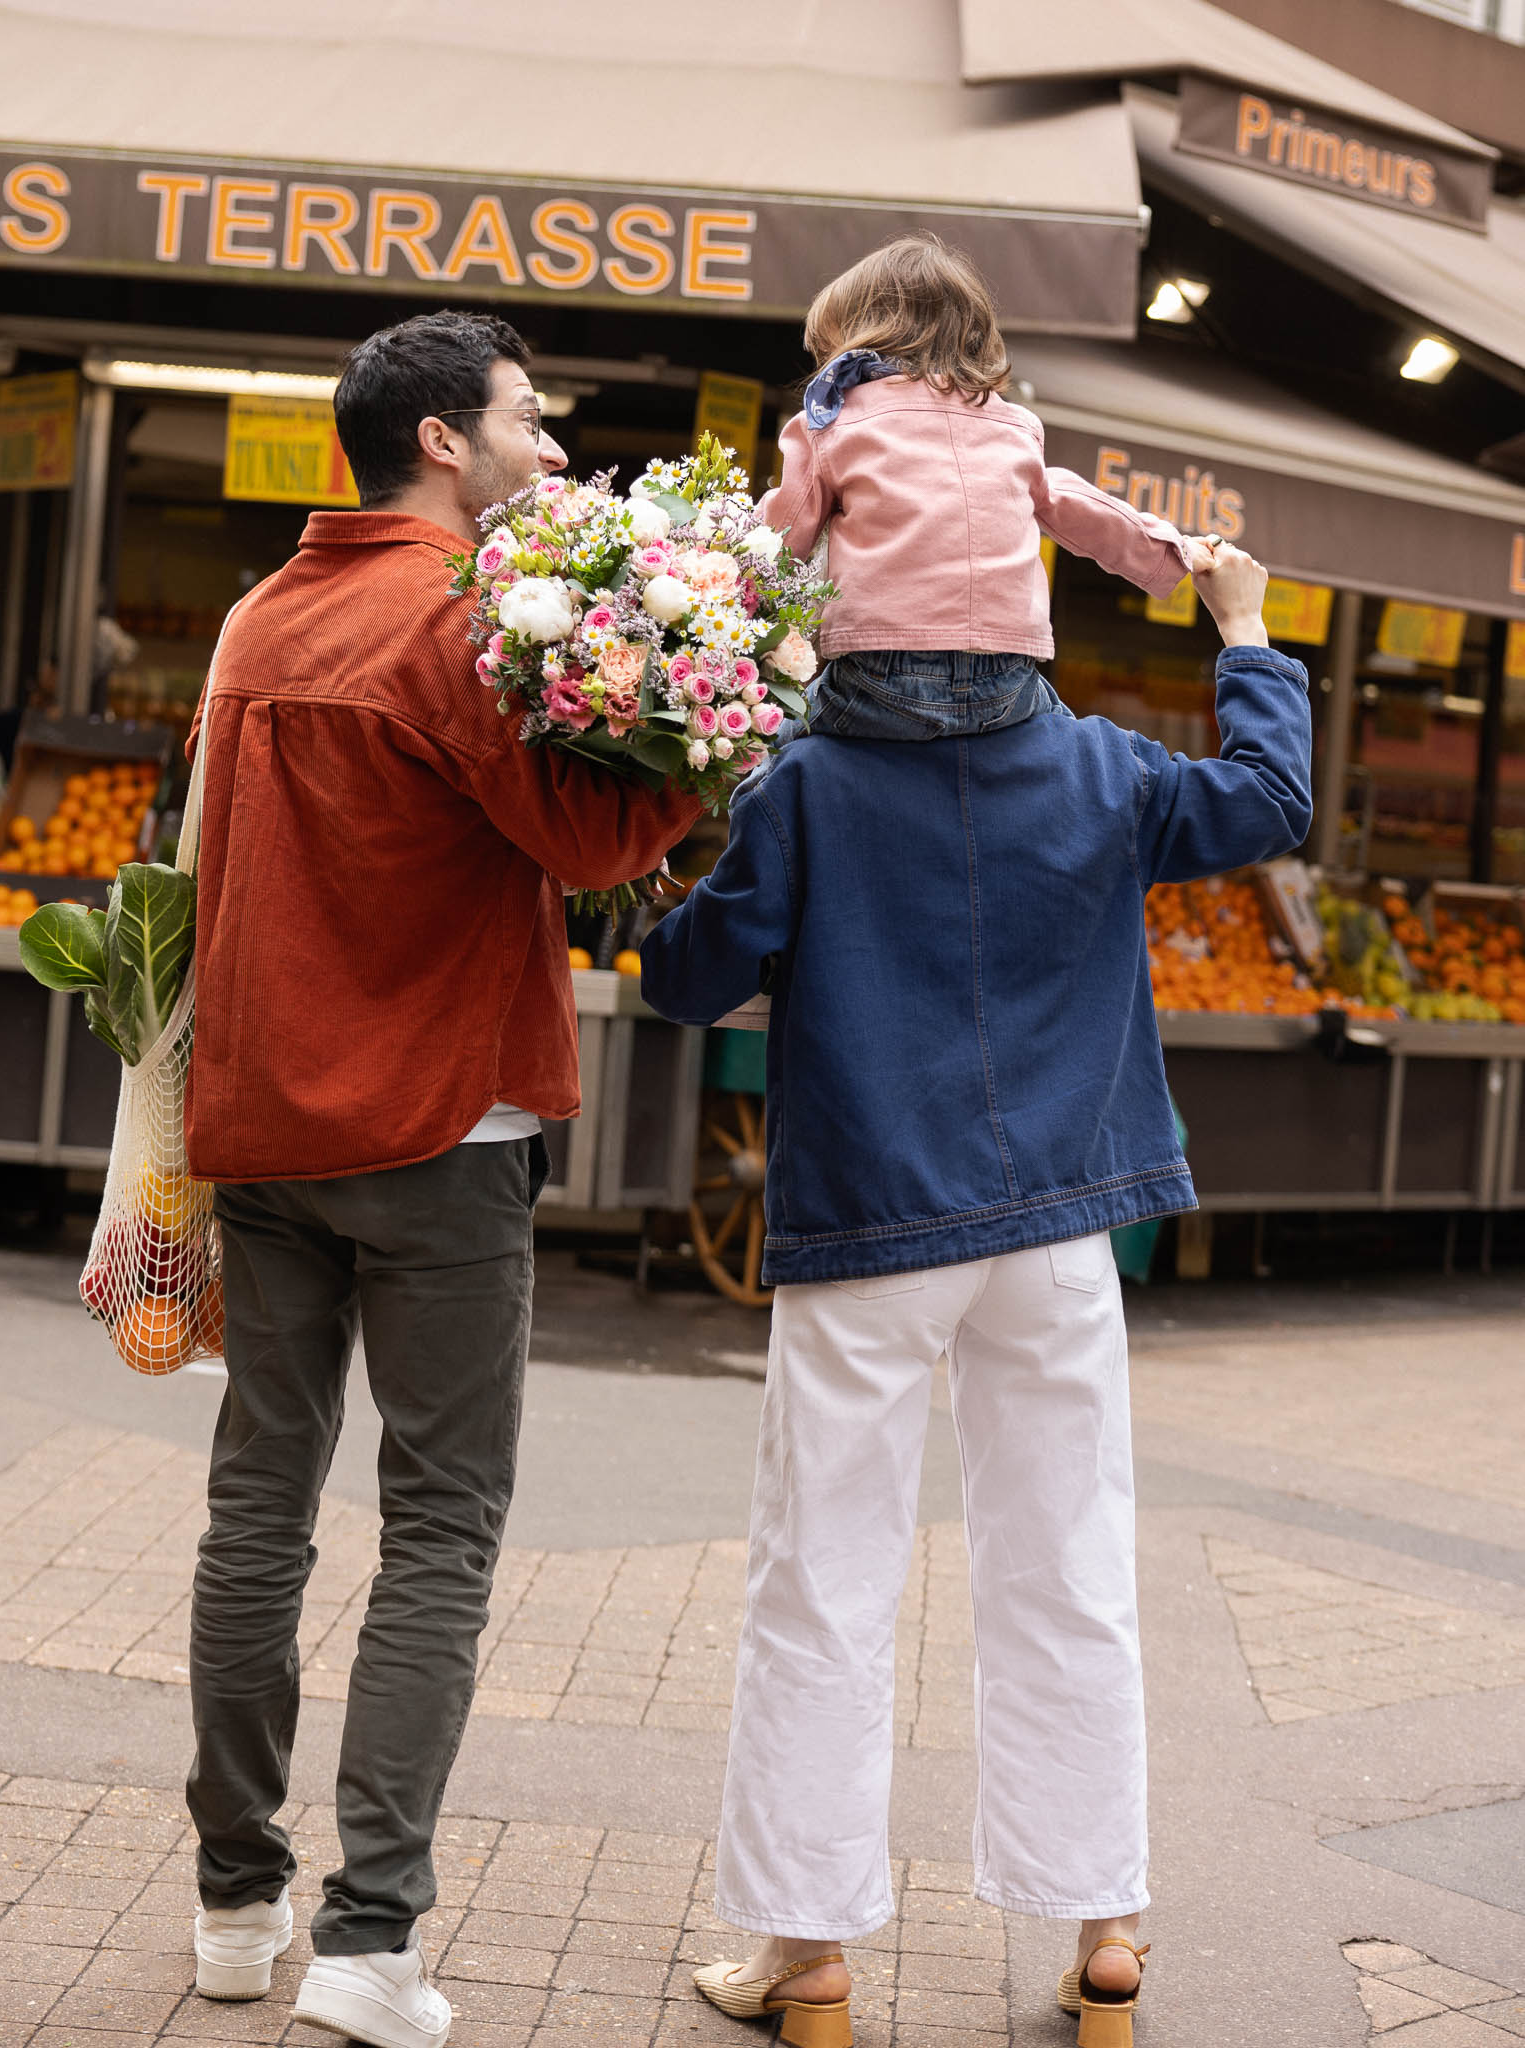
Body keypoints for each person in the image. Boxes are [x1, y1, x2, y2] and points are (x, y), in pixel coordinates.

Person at [640, 542, 1311, 2048]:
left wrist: (650, 856)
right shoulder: (1097, 768)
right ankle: (1106, 1943)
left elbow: (689, 978)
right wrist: (1247, 628)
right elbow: (1271, 801)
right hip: (1064, 1224)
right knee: (1069, 1566)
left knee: (822, 1582)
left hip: (869, 1221)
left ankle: (806, 1962)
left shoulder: (802, 782)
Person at [182, 310, 697, 2048]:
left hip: (261, 1132)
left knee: (257, 1505)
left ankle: (234, 1902)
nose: (540, 448)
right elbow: (586, 840)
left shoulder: (260, 614)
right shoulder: (456, 619)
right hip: (437, 1138)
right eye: (524, 421)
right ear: (434, 442)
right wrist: (702, 726)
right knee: (440, 1527)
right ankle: (368, 1937)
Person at [751, 233, 1217, 755]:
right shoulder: (1016, 427)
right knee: (1067, 741)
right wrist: (1171, 548)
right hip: (1007, 684)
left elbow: (782, 536)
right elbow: (1075, 504)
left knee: (772, 748)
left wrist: (724, 595)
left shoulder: (833, 424)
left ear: (862, 341)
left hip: (879, 677)